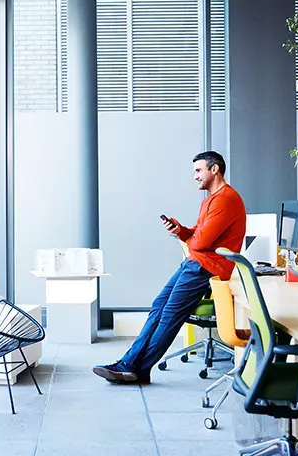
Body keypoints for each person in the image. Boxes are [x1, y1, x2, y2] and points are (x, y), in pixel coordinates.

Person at [93, 151, 246, 384]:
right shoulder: (211, 199)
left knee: (170, 316)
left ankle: (136, 368)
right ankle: (132, 365)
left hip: (205, 267)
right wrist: (181, 231)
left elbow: (202, 242)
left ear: (214, 170)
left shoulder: (225, 199)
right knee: (158, 307)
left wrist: (193, 241)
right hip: (195, 263)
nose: (194, 176)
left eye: (198, 170)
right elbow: (198, 234)